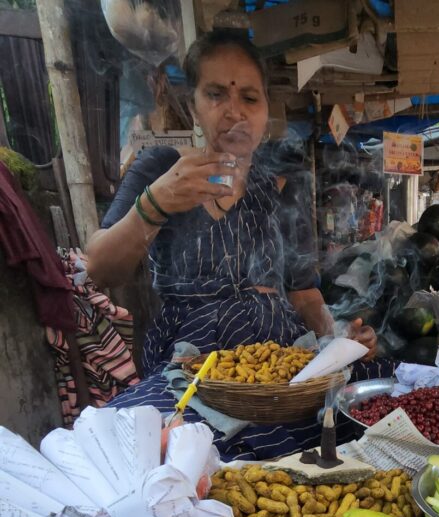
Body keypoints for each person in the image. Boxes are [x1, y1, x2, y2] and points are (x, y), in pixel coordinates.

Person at [86, 29, 381, 460]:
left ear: (265, 110)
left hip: (279, 356)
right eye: (216, 95)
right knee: (144, 450)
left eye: (249, 98)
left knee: (367, 412)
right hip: (192, 366)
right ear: (193, 106)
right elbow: (99, 269)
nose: (235, 112)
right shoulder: (161, 169)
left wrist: (339, 339)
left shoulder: (281, 183)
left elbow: (303, 293)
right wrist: (156, 203)